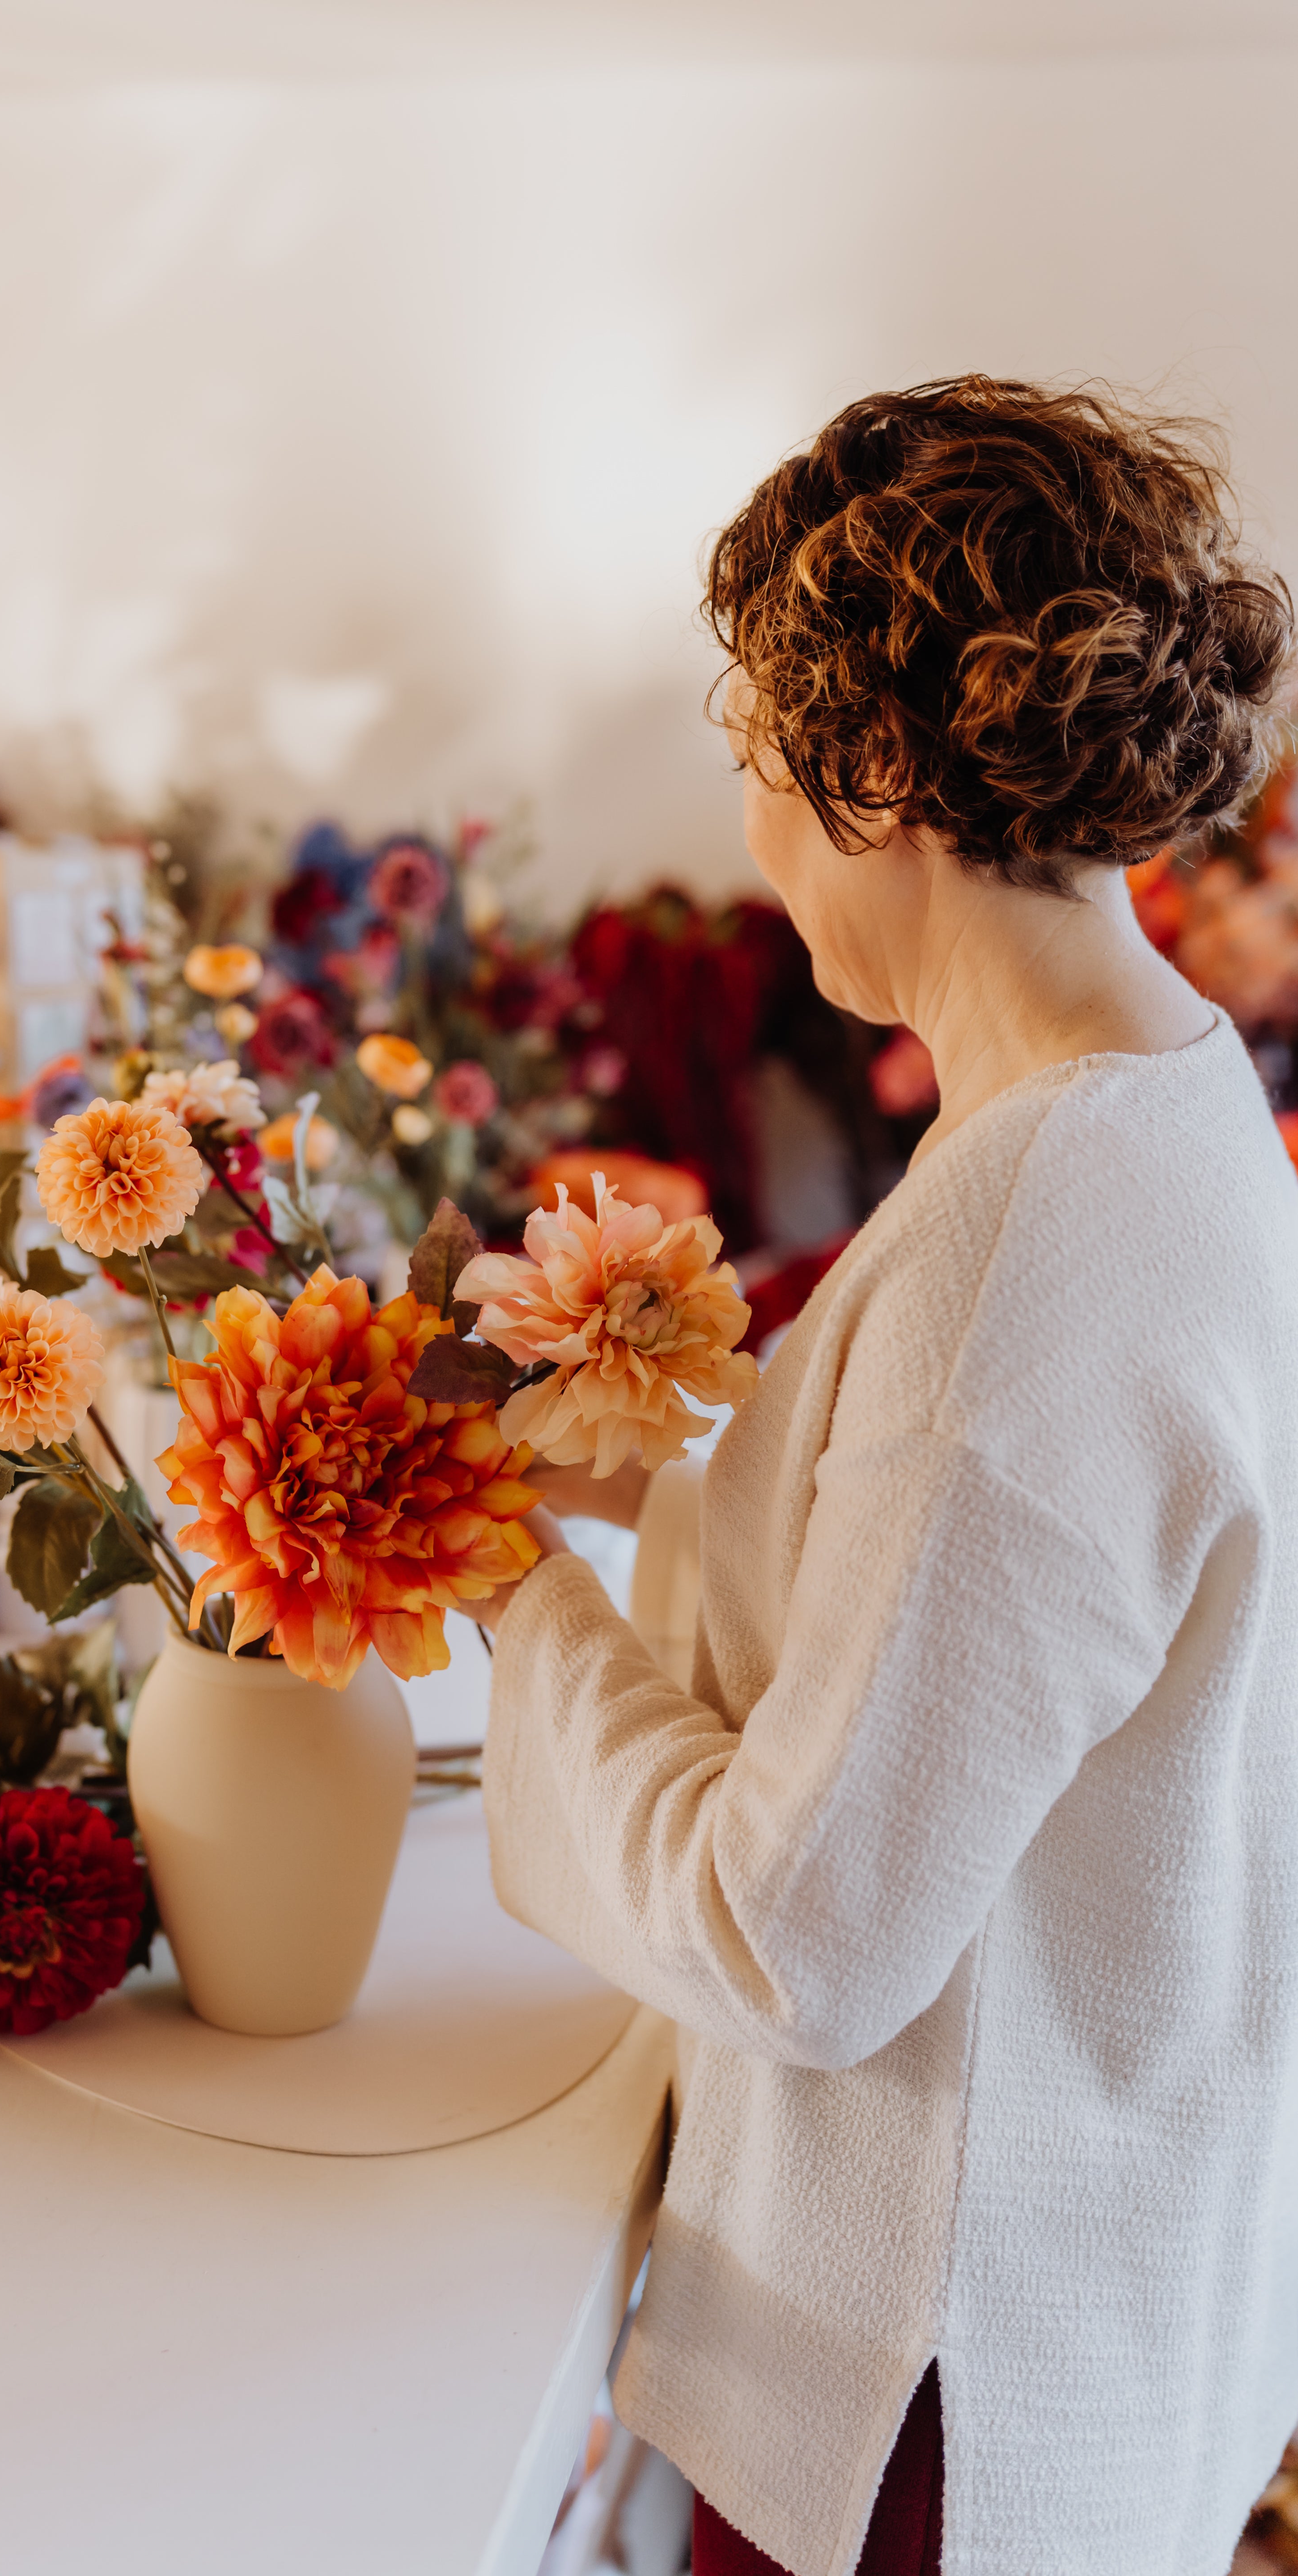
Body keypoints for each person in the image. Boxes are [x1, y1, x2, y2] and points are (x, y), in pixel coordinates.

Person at [472, 379, 1298, 2576]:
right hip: (1099, 2285)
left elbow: (797, 1928)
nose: (749, 835)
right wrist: (619, 1469)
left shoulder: (1036, 1235)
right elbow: (981, 1592)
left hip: (934, 2412)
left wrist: (502, 1584)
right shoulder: (1152, 1108)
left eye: (755, 764)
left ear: (872, 775)